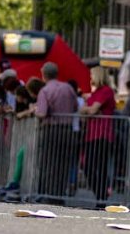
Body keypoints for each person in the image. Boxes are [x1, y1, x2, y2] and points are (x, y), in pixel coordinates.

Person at [34, 62, 79, 202]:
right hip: (67, 131)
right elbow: (76, 106)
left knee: (49, 163)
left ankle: (50, 194)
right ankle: (59, 194)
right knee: (63, 164)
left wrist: (34, 111)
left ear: (43, 75)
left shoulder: (45, 91)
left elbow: (42, 113)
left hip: (51, 130)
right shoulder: (68, 88)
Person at [80, 68, 116, 202]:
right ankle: (101, 195)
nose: (90, 79)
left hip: (102, 133)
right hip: (92, 133)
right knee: (89, 165)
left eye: (92, 76)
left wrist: (88, 110)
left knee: (97, 166)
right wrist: (88, 110)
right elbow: (87, 111)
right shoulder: (96, 93)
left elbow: (92, 110)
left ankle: (101, 196)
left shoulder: (106, 91)